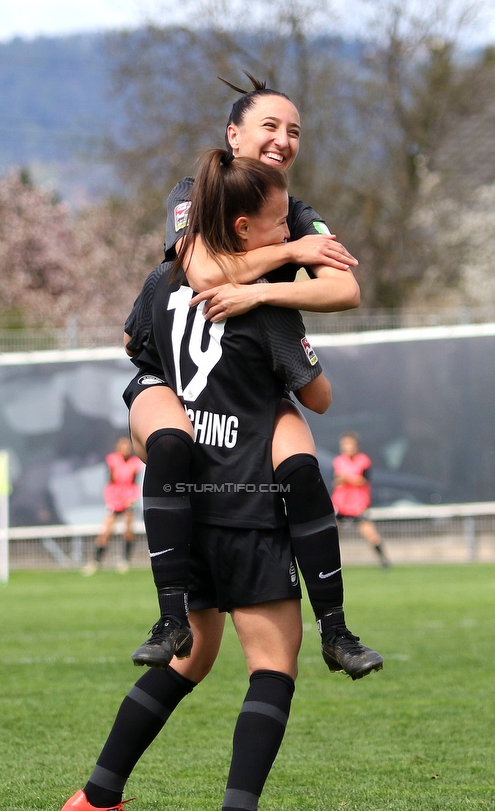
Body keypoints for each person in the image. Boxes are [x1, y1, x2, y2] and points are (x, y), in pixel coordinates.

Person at [60, 151, 381, 811]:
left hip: (184, 507)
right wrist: (286, 320)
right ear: (243, 228)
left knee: (193, 655)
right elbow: (320, 396)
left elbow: (132, 344)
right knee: (273, 659)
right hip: (244, 494)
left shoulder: (160, 283)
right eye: (277, 226)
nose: (287, 236)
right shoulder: (264, 303)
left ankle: (97, 797)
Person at [123, 74, 379, 678]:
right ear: (233, 134)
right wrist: (290, 257)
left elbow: (345, 287)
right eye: (270, 125)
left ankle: (337, 632)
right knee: (170, 444)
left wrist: (260, 295)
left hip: (250, 391)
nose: (283, 139)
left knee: (300, 470)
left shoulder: (294, 211)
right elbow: (203, 269)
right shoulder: (196, 193)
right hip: (180, 383)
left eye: (294, 131)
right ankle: (168, 615)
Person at [82, 437, 143, 575]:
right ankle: (96, 561)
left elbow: (134, 482)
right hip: (114, 499)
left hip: (128, 499)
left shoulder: (134, 462)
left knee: (128, 532)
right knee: (105, 532)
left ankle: (125, 561)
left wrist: (132, 499)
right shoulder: (112, 460)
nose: (126, 449)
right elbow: (110, 479)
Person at [332, 432, 391, 569]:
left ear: (356, 446)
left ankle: (384, 561)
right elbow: (336, 481)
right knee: (330, 534)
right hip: (341, 504)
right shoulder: (338, 461)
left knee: (370, 533)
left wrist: (347, 478)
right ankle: (327, 563)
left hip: (358, 504)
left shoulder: (363, 461)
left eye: (350, 444)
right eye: (345, 444)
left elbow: (363, 481)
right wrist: (349, 479)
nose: (347, 447)